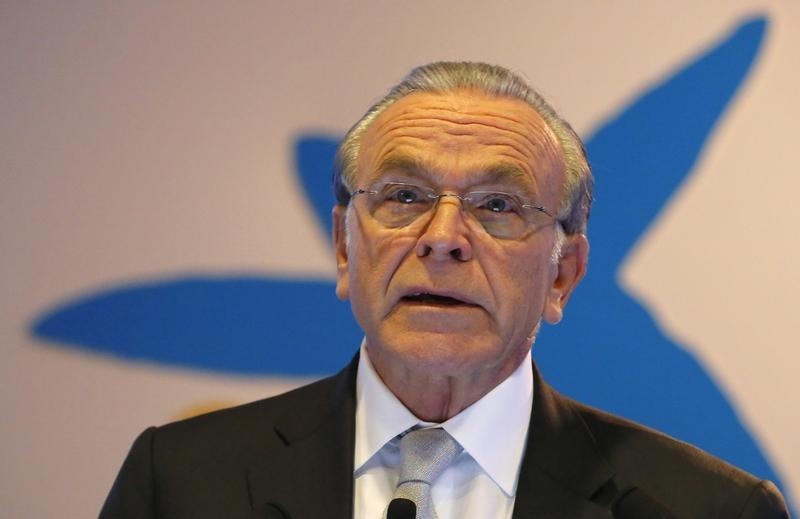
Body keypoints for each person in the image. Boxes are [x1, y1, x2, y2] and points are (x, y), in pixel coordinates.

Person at [100, 62, 789, 518]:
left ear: (562, 274)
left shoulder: (706, 508)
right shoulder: (183, 481)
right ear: (344, 247)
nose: (443, 236)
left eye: (497, 206)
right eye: (404, 195)